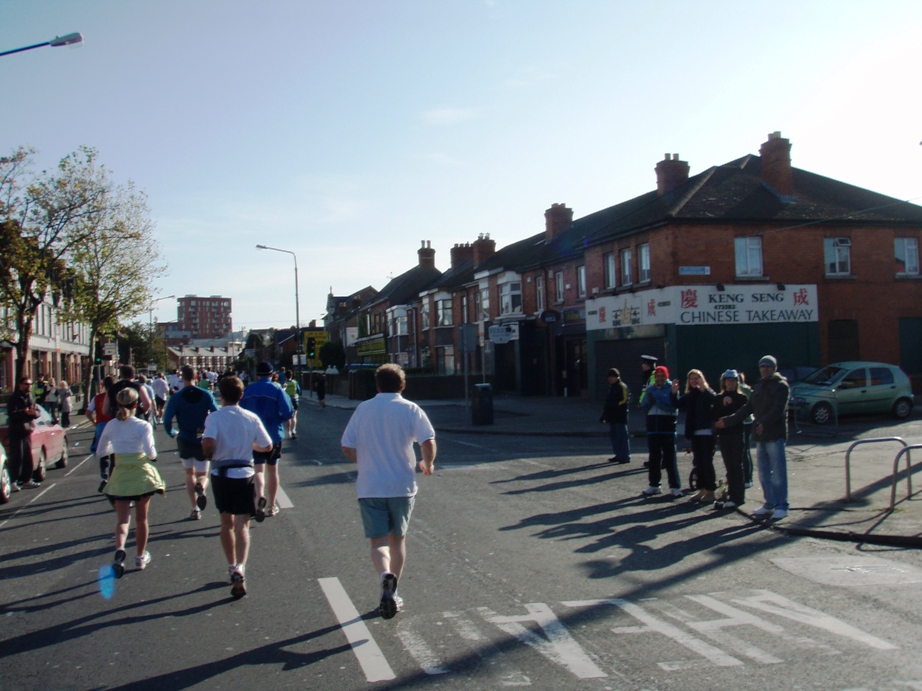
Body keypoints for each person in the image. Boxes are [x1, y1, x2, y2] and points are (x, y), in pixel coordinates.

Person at [340, 364, 436, 619]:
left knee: (378, 542)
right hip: (401, 486)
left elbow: (347, 447)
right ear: (403, 385)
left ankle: (385, 576)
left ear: (377, 385)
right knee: (398, 540)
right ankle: (393, 592)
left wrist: (366, 461)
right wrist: (427, 462)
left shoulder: (363, 409)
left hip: (371, 486)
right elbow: (428, 440)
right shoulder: (411, 409)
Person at [202, 376, 273, 599]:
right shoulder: (251, 418)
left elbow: (208, 443)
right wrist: (250, 446)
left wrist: (209, 453)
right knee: (243, 525)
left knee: (226, 523)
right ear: (241, 395)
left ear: (220, 395)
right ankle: (241, 567)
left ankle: (232, 566)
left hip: (221, 474)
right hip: (244, 473)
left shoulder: (214, 418)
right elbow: (267, 445)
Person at [97, 387, 164, 577]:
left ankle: (119, 551)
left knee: (122, 520)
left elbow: (101, 451)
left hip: (120, 475)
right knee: (141, 519)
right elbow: (151, 453)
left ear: (118, 403)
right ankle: (140, 557)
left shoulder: (111, 425)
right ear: (137, 405)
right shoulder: (143, 426)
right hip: (141, 475)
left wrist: (117, 449)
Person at [716, 355, 791, 520]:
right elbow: (747, 409)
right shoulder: (758, 386)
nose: (765, 369)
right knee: (764, 473)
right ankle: (769, 504)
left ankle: (781, 505)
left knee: (778, 473)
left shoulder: (781, 386)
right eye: (763, 367)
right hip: (760, 436)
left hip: (774, 436)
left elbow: (778, 409)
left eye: (769, 367)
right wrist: (727, 421)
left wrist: (763, 421)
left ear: (774, 368)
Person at [163, 365, 218, 520]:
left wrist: (172, 432)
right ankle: (201, 486)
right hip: (201, 436)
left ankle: (195, 509)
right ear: (197, 377)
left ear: (182, 377)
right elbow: (216, 413)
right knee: (202, 474)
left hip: (185, 436)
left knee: (189, 474)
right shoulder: (206, 395)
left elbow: (167, 420)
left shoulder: (176, 397)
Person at [240, 361, 294, 519]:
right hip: (273, 434)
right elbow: (288, 411)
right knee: (273, 470)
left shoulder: (248, 390)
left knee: (258, 470)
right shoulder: (277, 389)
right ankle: (271, 506)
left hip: (254, 436)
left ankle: (259, 497)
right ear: (271, 374)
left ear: (257, 375)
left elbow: (241, 410)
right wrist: (277, 419)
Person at [672, 369, 718, 503]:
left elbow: (715, 400)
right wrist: (674, 393)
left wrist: (705, 389)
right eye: (691, 378)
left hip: (707, 432)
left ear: (702, 379)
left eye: (696, 378)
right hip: (695, 432)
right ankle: (702, 489)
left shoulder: (706, 392)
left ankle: (710, 491)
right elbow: (677, 404)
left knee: (707, 462)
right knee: (698, 463)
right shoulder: (690, 395)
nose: (694, 381)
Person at [640, 366, 682, 498]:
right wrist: (648, 403)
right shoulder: (651, 388)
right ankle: (654, 485)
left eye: (662, 376)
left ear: (666, 376)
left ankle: (675, 487)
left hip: (667, 427)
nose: (660, 378)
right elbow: (644, 406)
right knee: (654, 458)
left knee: (670, 459)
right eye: (658, 376)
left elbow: (673, 409)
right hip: (653, 427)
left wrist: (657, 402)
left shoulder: (671, 389)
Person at [711, 370, 749, 510]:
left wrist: (730, 405)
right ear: (724, 382)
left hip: (737, 435)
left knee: (736, 466)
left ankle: (738, 497)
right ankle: (730, 494)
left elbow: (740, 415)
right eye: (728, 381)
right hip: (724, 436)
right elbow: (715, 414)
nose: (730, 383)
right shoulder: (718, 397)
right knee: (729, 466)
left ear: (737, 382)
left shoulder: (741, 398)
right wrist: (723, 404)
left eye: (733, 381)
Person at [6, 376, 41, 491]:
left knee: (27, 457)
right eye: (26, 384)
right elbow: (12, 414)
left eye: (30, 384)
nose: (29, 386)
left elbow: (37, 412)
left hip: (27, 430)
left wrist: (33, 413)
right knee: (17, 457)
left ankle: (27, 480)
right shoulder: (14, 398)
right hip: (17, 431)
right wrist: (24, 412)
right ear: (20, 385)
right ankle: (13, 481)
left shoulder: (30, 397)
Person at [88, 376, 116, 493]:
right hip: (114, 425)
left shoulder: (97, 398)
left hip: (101, 427)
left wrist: (94, 422)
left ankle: (104, 477)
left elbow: (88, 412)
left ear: (103, 385)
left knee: (103, 453)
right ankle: (112, 480)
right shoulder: (115, 397)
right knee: (114, 454)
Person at [599, 367, 630, 464]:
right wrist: (604, 415)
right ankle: (618, 455)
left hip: (620, 415)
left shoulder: (622, 386)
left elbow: (625, 399)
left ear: (618, 376)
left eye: (613, 376)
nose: (610, 379)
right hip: (612, 416)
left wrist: (616, 405)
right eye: (609, 377)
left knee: (622, 437)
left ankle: (625, 456)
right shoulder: (611, 388)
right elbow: (607, 403)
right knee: (614, 437)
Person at [738, 372, 755, 488]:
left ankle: (747, 478)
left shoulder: (741, 389)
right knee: (746, 450)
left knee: (743, 451)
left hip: (743, 421)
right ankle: (748, 477)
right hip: (748, 421)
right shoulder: (748, 389)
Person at [283, 370, 300, 440]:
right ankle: (294, 431)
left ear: (285, 376)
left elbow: (282, 392)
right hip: (295, 400)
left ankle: (289, 432)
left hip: (288, 401)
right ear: (291, 376)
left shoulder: (284, 384)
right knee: (294, 416)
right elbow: (299, 390)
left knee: (288, 417)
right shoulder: (295, 382)